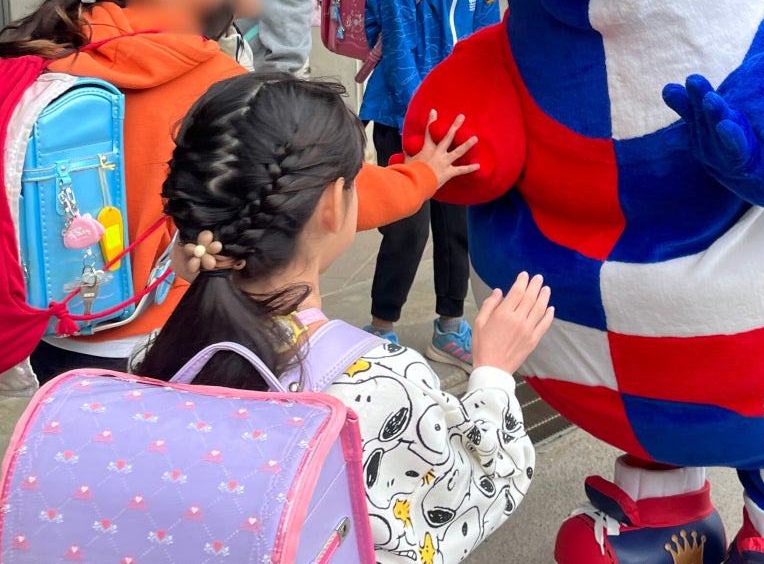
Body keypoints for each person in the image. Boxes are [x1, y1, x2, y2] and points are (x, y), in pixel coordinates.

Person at [0, 0, 473, 379]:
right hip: (166, 347)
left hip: (53, 346)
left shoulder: (36, 58)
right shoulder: (209, 81)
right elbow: (323, 188)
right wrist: (423, 174)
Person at [136, 73, 554, 564]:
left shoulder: (157, 359)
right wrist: (494, 374)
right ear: (334, 204)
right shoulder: (381, 383)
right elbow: (483, 492)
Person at [358, 0, 500, 366]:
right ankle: (381, 329)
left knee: (456, 227)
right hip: (406, 123)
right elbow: (400, 52)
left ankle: (449, 327)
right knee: (406, 226)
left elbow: (487, 44)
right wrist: (423, 126)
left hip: (456, 125)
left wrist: (479, 113)